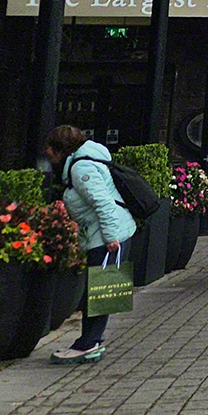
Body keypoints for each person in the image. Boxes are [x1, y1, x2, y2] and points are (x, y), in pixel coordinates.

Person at [46, 124, 136, 364]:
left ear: (60, 150)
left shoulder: (81, 168)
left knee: (100, 292)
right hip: (114, 231)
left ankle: (89, 344)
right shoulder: (89, 158)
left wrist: (109, 238)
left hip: (108, 236)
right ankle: (92, 341)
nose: (47, 153)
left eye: (50, 148)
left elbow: (103, 203)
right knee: (102, 290)